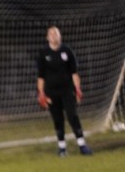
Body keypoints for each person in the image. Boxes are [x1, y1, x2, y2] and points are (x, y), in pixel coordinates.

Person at [36, 26, 94, 157]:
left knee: (72, 116)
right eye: (51, 34)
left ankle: (82, 145)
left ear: (60, 36)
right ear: (47, 37)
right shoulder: (43, 53)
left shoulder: (67, 51)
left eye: (56, 33)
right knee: (57, 119)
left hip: (67, 91)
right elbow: (41, 76)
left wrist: (77, 89)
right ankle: (62, 148)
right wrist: (41, 93)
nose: (54, 36)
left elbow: (74, 73)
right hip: (51, 92)